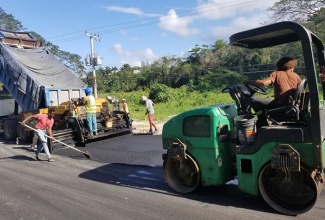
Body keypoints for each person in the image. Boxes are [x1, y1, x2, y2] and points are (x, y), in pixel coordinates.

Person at [244, 57, 302, 129]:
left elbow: (264, 83)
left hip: (279, 106)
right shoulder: (296, 76)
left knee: (253, 99)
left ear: (279, 66)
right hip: (291, 107)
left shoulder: (277, 74)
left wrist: (249, 82)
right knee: (267, 98)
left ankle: (262, 121)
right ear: (291, 67)